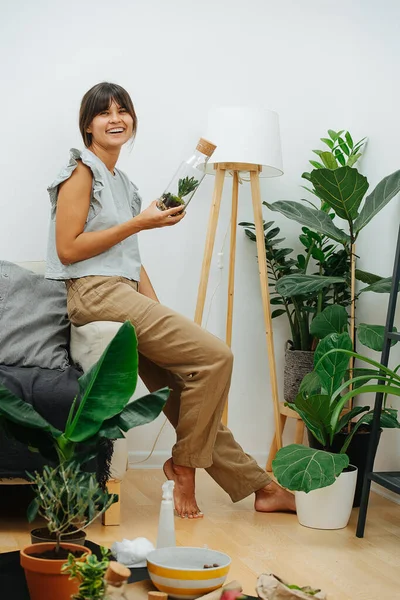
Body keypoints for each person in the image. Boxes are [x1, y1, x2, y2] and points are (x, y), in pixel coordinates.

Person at [45, 82, 295, 519]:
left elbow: (131, 261)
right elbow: (69, 249)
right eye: (104, 113)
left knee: (182, 389)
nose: (116, 118)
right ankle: (183, 468)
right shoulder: (81, 171)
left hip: (120, 293)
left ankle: (261, 487)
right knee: (217, 357)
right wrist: (138, 224)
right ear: (88, 125)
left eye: (123, 110)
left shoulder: (126, 184)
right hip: (94, 294)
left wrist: (158, 308)